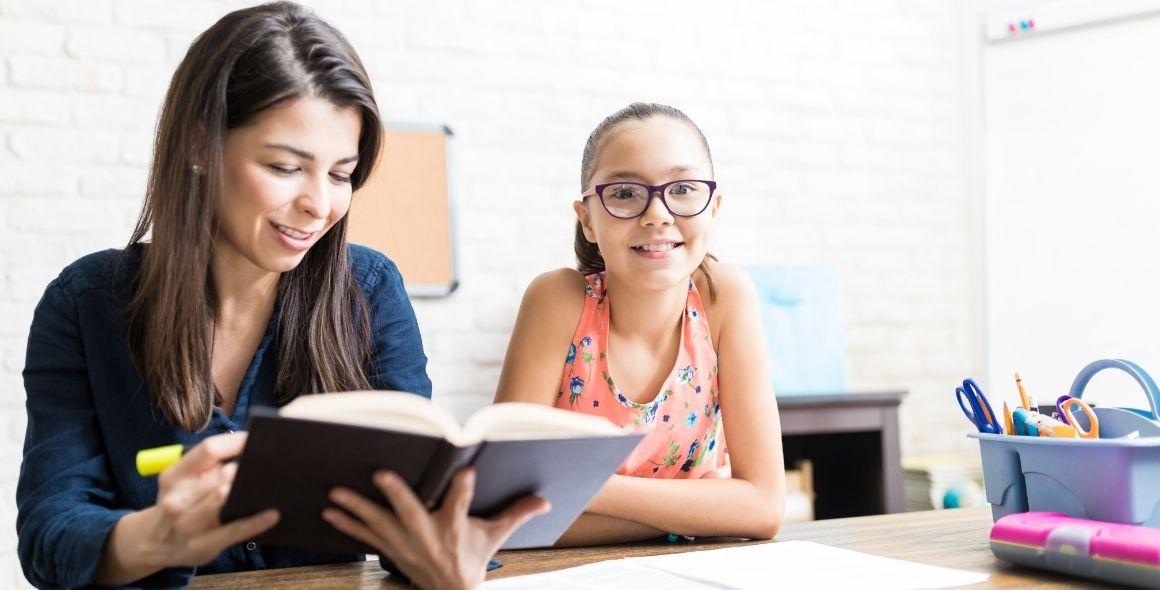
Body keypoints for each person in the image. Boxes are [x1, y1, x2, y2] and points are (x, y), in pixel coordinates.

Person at [16, 3, 545, 588]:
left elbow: (416, 508)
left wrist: (447, 546)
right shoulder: (86, 303)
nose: (320, 204)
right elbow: (50, 537)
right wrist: (157, 537)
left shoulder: (368, 291)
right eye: (286, 166)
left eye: (341, 174)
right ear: (198, 145)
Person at [494, 103, 785, 545]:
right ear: (587, 218)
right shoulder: (557, 300)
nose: (657, 214)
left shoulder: (725, 298)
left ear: (714, 209)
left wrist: (580, 487)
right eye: (626, 193)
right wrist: (703, 507)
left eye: (684, 188)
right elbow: (503, 510)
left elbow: (763, 509)